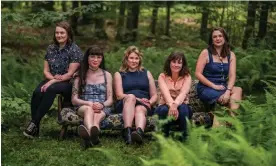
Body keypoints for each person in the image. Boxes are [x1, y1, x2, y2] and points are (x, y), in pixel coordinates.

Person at [23, 21, 83, 138]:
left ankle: (33, 123)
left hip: (68, 83)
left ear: (68, 34)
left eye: (62, 33)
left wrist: (52, 81)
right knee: (37, 92)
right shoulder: (51, 48)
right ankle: (36, 128)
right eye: (57, 33)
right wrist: (52, 78)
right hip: (52, 78)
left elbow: (70, 74)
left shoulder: (74, 49)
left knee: (50, 89)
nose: (59, 35)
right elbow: (46, 71)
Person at [195, 27, 242, 121]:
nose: (218, 38)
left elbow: (232, 75)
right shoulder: (205, 53)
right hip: (206, 87)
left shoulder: (231, 55)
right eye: (214, 37)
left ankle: (232, 120)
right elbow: (197, 74)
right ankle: (231, 124)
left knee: (238, 89)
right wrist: (213, 86)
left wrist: (228, 91)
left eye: (220, 36)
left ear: (224, 38)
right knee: (224, 99)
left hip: (222, 87)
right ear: (212, 40)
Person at [114, 46, 157, 144]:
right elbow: (119, 95)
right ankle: (127, 132)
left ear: (139, 60)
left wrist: (149, 102)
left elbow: (154, 95)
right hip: (126, 103)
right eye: (131, 58)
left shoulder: (146, 73)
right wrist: (136, 98)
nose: (134, 61)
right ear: (126, 59)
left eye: (136, 58)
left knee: (139, 109)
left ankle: (139, 133)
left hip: (144, 104)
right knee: (131, 97)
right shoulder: (119, 74)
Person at [71, 45, 113, 148]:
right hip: (84, 105)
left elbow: (110, 99)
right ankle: (91, 133)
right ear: (87, 58)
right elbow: (74, 99)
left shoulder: (106, 75)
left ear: (102, 59)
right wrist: (88, 103)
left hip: (102, 106)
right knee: (89, 110)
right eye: (92, 56)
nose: (95, 60)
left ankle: (89, 137)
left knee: (97, 116)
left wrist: (102, 105)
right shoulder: (79, 75)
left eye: (99, 57)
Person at [155, 52, 193, 140]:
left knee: (183, 109)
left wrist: (175, 105)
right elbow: (165, 94)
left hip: (182, 106)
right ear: (169, 63)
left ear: (183, 65)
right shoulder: (162, 76)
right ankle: (164, 139)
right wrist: (172, 106)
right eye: (174, 62)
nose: (176, 65)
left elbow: (184, 93)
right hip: (164, 106)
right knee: (164, 109)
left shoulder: (187, 77)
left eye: (179, 62)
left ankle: (185, 139)